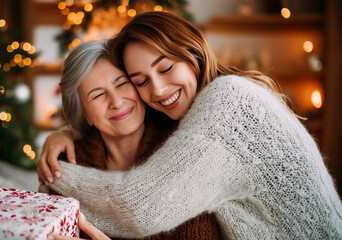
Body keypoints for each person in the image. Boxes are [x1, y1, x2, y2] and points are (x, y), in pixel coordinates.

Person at [39, 12, 342, 239]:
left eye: (166, 68)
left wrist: (57, 175)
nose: (157, 90)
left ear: (192, 52)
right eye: (141, 81)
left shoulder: (228, 102)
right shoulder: (185, 118)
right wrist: (64, 133)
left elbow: (140, 206)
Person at [44, 40, 221, 239]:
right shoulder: (65, 167)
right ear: (85, 114)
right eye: (98, 95)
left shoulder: (187, 154)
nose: (117, 102)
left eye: (122, 84)